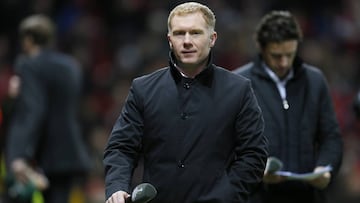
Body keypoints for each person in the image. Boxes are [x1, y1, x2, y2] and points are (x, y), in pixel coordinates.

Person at [103, 2, 268, 203]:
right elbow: (121, 147)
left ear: (212, 38)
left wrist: (225, 196)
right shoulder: (143, 89)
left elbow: (253, 155)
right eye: (180, 33)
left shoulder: (238, 90)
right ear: (170, 39)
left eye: (196, 33)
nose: (187, 41)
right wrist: (117, 187)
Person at [233, 10, 343, 203]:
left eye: (289, 54)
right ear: (262, 48)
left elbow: (331, 136)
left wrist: (326, 168)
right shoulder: (239, 83)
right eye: (276, 55)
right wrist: (255, 169)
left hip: (307, 195)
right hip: (258, 196)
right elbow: (226, 144)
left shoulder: (315, 80)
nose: (284, 62)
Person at [5, 14, 92, 203]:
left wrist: (18, 154)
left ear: (27, 39)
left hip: (42, 153)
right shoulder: (70, 66)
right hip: (69, 151)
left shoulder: (28, 65)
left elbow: (32, 111)